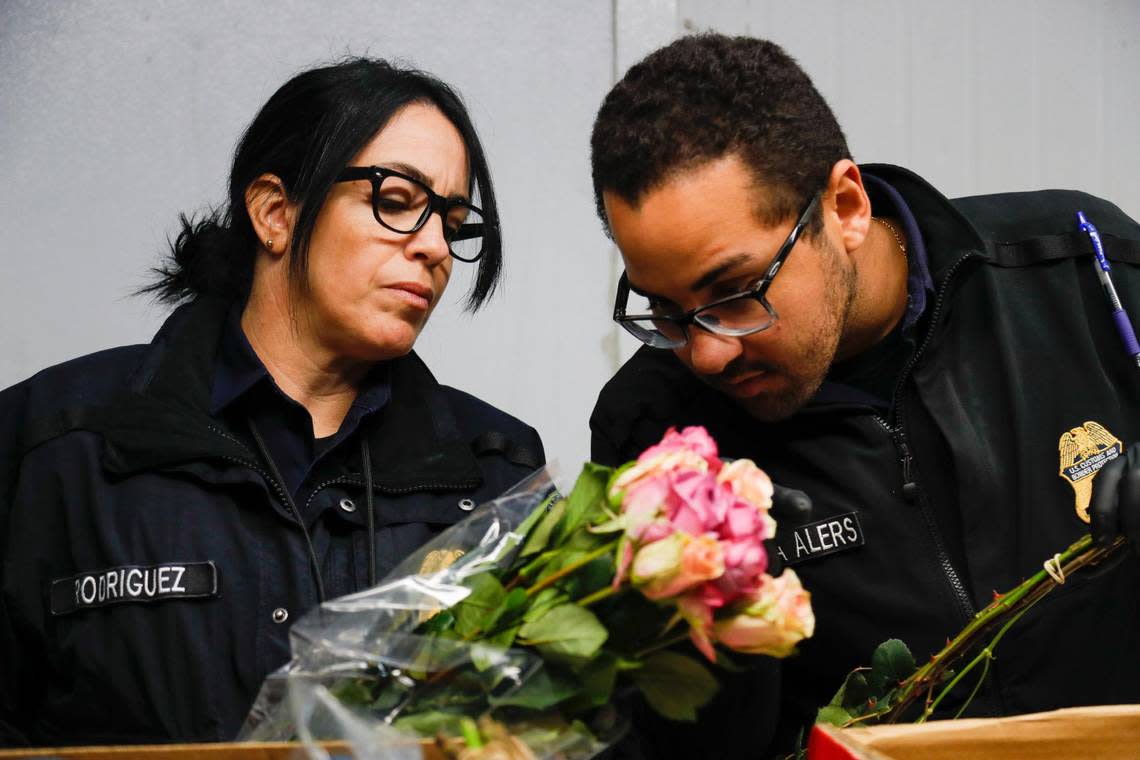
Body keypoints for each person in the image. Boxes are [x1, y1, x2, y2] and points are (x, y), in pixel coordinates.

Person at [588, 33, 1140, 757]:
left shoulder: (1083, 269)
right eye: (663, 310)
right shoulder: (657, 429)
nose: (708, 351)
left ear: (845, 206)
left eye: (735, 292)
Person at [0, 58, 544, 747]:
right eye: (398, 201)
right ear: (275, 212)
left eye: (453, 220)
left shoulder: (497, 473)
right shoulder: (52, 444)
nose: (435, 247)